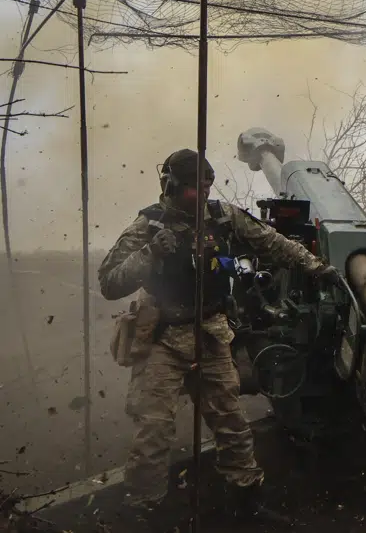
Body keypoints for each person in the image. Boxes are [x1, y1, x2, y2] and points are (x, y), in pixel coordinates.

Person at [98, 148, 345, 521]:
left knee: (231, 420)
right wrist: (150, 253)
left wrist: (316, 267)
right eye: (194, 188)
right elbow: (109, 282)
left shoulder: (223, 217)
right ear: (170, 186)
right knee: (154, 430)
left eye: (208, 186)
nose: (203, 196)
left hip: (211, 333)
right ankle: (144, 511)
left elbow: (271, 242)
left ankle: (247, 499)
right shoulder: (148, 226)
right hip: (164, 337)